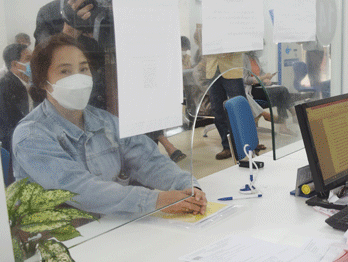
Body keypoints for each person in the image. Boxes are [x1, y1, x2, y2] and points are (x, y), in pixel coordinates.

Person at [12, 34, 206, 216]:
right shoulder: (30, 135)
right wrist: (155, 200)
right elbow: (78, 188)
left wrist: (187, 186)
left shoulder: (104, 121)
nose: (78, 78)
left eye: (83, 69)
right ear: (43, 82)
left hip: (110, 226)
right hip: (63, 238)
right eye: (65, 71)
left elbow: (147, 159)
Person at [204, 52, 247, 160]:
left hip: (231, 68)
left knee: (239, 109)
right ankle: (228, 146)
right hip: (212, 70)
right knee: (217, 110)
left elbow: (245, 41)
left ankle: (248, 144)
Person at [0, 44, 33, 155]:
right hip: (16, 147)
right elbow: (10, 127)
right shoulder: (4, 87)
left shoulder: (28, 83)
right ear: (15, 64)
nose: (33, 62)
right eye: (28, 59)